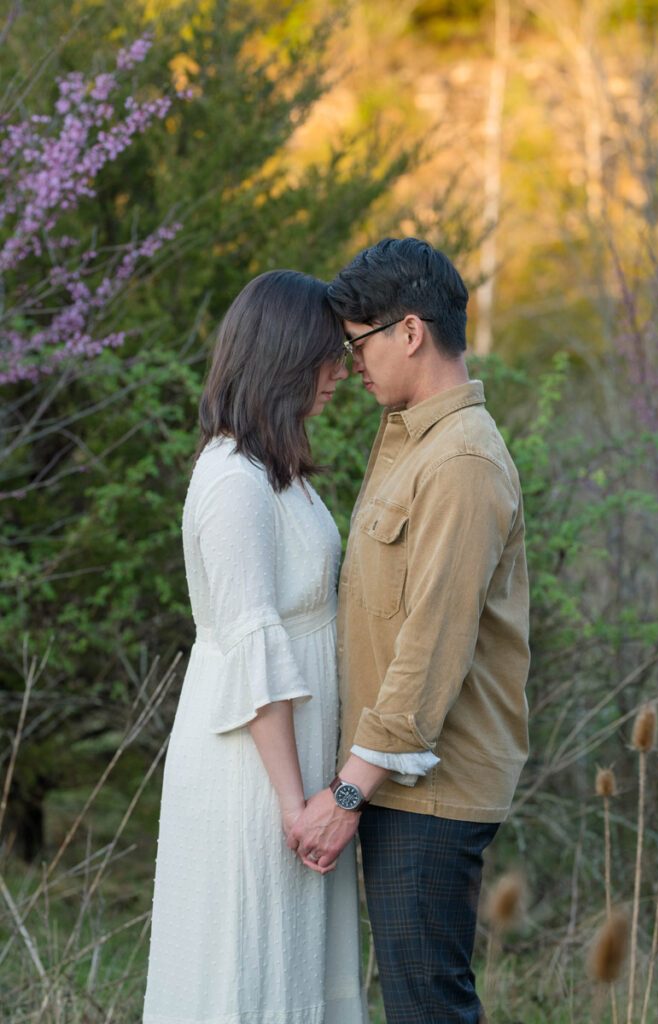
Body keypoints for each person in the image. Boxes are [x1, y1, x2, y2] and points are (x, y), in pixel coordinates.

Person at [287, 238, 530, 1023]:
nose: (350, 361)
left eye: (358, 342)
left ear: (411, 332)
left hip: (428, 789)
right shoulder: (410, 441)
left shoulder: (459, 462)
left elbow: (430, 650)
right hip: (400, 781)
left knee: (426, 1006)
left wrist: (350, 789)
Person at [143, 270, 368, 1024]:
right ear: (280, 356)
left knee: (295, 964)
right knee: (249, 964)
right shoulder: (232, 480)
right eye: (324, 354)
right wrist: (292, 800)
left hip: (296, 765)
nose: (339, 371)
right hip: (254, 770)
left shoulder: (279, 474)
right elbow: (251, 643)